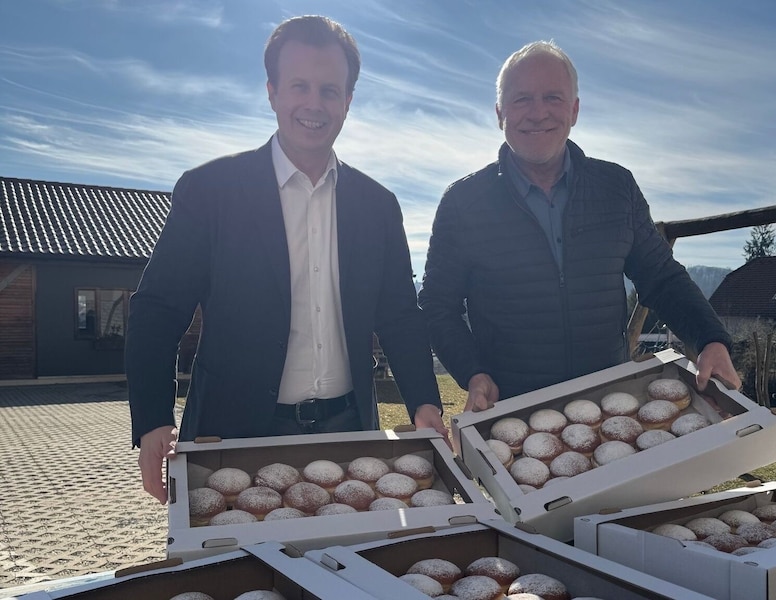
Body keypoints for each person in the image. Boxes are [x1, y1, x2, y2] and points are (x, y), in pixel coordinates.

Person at [126, 15, 447, 504]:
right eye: (299, 86)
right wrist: (152, 421)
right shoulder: (210, 190)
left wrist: (425, 403)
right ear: (272, 91)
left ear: (348, 100)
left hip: (348, 435)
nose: (313, 104)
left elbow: (401, 315)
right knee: (234, 577)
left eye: (329, 89)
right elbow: (158, 309)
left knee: (349, 569)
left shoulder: (378, 205)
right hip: (231, 435)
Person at [418, 40, 741, 414]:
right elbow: (437, 306)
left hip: (612, 405)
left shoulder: (616, 188)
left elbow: (661, 277)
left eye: (553, 98)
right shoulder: (463, 203)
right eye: (522, 99)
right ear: (499, 113)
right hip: (510, 413)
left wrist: (710, 339)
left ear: (574, 110)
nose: (537, 113)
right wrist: (473, 374)